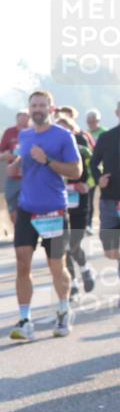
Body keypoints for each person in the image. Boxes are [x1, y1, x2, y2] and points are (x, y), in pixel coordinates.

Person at [7, 90, 82, 340]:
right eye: (33, 105)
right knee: (22, 264)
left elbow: (76, 170)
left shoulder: (64, 136)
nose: (37, 109)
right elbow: (24, 160)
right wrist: (16, 165)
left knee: (56, 266)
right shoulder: (25, 135)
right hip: (27, 208)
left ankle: (63, 310)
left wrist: (48, 160)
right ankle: (25, 320)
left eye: (42, 105)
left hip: (54, 210)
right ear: (29, 110)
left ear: (51, 108)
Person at [54, 114, 97, 298]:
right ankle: (73, 284)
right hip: (60, 201)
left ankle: (85, 268)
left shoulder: (83, 149)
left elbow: (96, 171)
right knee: (63, 245)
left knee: (74, 243)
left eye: (66, 129)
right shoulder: (51, 152)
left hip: (79, 200)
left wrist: (86, 184)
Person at [89, 100, 120, 286]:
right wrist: (99, 178)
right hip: (110, 198)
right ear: (117, 113)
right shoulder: (107, 137)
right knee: (111, 251)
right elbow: (93, 163)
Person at [0, 110, 30, 223]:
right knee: (13, 207)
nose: (24, 119)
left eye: (26, 116)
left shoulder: (35, 132)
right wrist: (5, 156)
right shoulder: (9, 132)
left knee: (30, 207)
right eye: (21, 116)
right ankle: (18, 233)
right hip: (14, 176)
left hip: (31, 176)